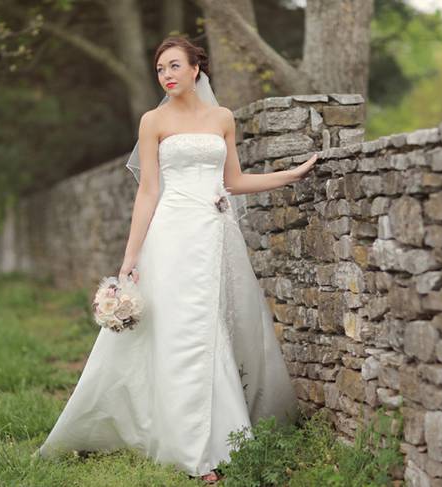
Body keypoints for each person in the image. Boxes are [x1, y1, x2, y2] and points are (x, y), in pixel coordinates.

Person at [33, 35, 319, 483]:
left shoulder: (222, 117)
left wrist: (291, 174)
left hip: (216, 235)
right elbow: (148, 191)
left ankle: (219, 438)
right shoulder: (152, 121)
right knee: (182, 333)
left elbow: (235, 181)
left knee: (212, 329)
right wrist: (130, 257)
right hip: (170, 236)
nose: (166, 75)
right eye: (160, 69)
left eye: (173, 66)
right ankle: (196, 453)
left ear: (195, 69)